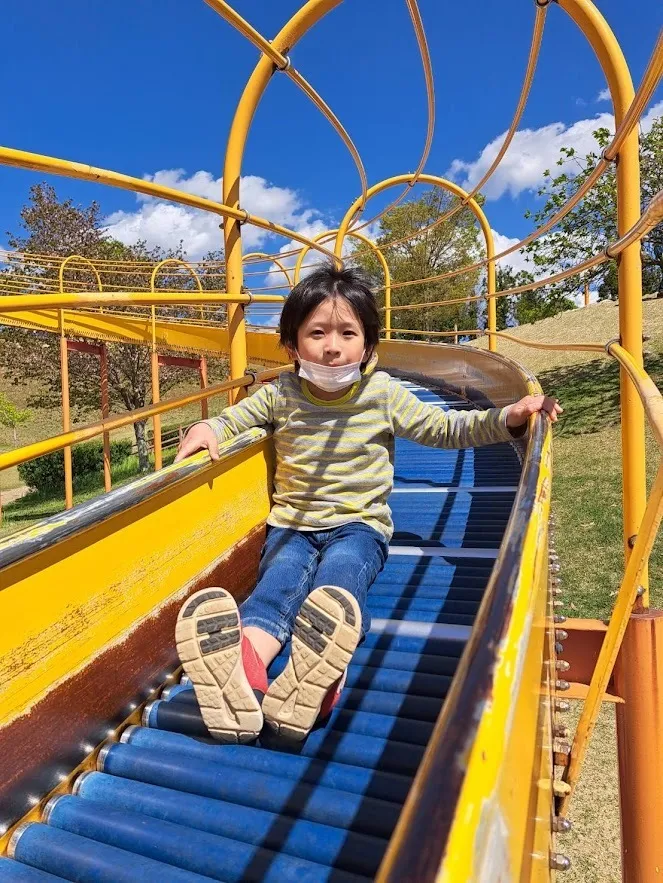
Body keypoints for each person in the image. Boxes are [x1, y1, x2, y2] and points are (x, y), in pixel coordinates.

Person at [173, 263, 562, 743]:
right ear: (292, 345)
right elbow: (235, 418)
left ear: (368, 345)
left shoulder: (382, 394)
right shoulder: (281, 395)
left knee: (340, 580)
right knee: (275, 586)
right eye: (316, 333)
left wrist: (508, 418)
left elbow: (443, 428)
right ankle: (244, 672)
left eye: (346, 332)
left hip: (360, 526)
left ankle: (315, 680)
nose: (332, 345)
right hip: (291, 524)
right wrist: (207, 427)